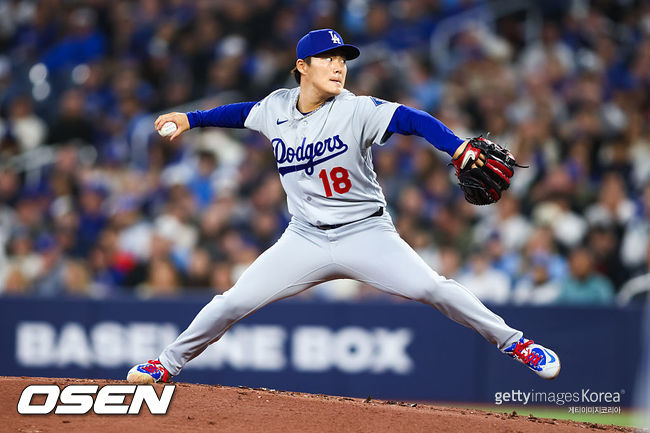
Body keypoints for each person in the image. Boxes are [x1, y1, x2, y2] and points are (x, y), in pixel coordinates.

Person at [127, 29, 560, 384]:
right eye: (328, 58)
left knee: (434, 288)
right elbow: (240, 113)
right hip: (304, 238)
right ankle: (164, 364)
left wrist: (455, 146)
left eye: (343, 59)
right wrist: (191, 119)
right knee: (231, 302)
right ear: (302, 66)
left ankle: (517, 344)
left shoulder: (356, 109)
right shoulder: (276, 107)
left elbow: (413, 119)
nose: (338, 66)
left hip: (366, 233)